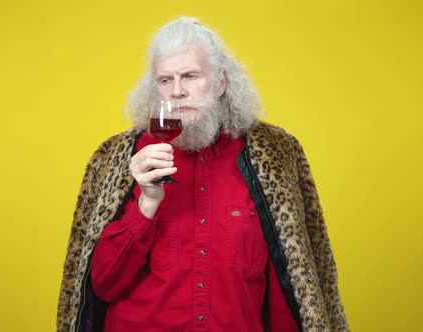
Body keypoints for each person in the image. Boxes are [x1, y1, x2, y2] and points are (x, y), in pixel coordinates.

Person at [57, 17, 348, 332]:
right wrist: (146, 204)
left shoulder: (276, 155)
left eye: (190, 76)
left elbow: (293, 285)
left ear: (221, 82)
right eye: (165, 80)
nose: (177, 91)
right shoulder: (119, 157)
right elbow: (102, 283)